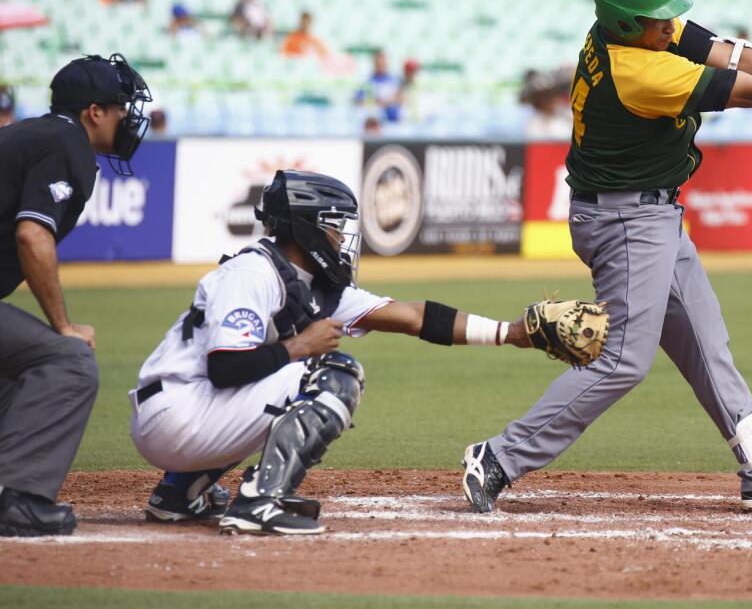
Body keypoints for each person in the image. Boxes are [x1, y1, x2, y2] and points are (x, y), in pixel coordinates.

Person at [461, 0, 752, 515]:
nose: (671, 25)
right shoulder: (638, 72)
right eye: (658, 19)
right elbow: (750, 91)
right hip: (625, 222)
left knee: (707, 344)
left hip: (651, 215)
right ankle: (498, 458)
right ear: (627, 24)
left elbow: (743, 56)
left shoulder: (639, 31)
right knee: (621, 362)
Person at [130, 170, 595, 535]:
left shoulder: (314, 287)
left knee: (293, 381)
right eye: (335, 227)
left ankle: (178, 493)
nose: (342, 238)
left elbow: (415, 317)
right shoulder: (253, 273)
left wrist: (513, 333)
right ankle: (260, 502)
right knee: (333, 373)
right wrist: (298, 346)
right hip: (177, 413)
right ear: (306, 227)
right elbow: (226, 367)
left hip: (188, 414)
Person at [0, 54, 152, 536]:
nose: (127, 116)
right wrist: (63, 326)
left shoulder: (32, 134)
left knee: (16, 371)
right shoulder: (68, 143)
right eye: (120, 107)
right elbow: (32, 236)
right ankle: (19, 501)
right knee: (68, 361)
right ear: (94, 112)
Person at [355, 49, 402, 122]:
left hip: (395, 121)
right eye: (378, 62)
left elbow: (400, 98)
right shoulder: (368, 82)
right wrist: (378, 103)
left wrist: (385, 102)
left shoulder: (395, 80)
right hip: (375, 122)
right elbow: (359, 101)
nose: (380, 64)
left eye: (382, 62)